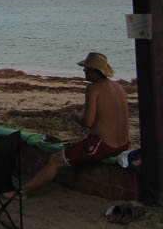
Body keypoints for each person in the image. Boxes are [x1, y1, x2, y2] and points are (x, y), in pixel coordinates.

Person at [22, 52, 129, 196]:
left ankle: (23, 192)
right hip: (123, 143)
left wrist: (75, 117)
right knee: (73, 145)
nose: (83, 71)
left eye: (86, 68)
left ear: (93, 71)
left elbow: (88, 122)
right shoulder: (117, 86)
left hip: (104, 145)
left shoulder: (93, 88)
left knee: (55, 160)